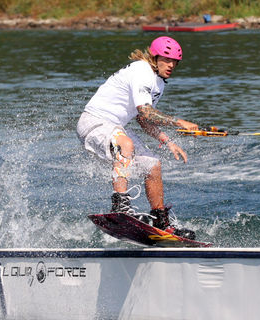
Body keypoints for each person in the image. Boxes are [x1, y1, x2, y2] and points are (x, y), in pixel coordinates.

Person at [77, 36, 199, 239]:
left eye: (174, 62)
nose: (171, 65)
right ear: (155, 57)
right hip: (93, 122)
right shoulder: (142, 71)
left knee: (152, 164)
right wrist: (179, 122)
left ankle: (161, 220)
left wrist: (168, 141)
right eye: (166, 60)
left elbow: (143, 120)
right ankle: (121, 207)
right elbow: (146, 112)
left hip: (115, 126)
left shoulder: (158, 83)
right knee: (125, 143)